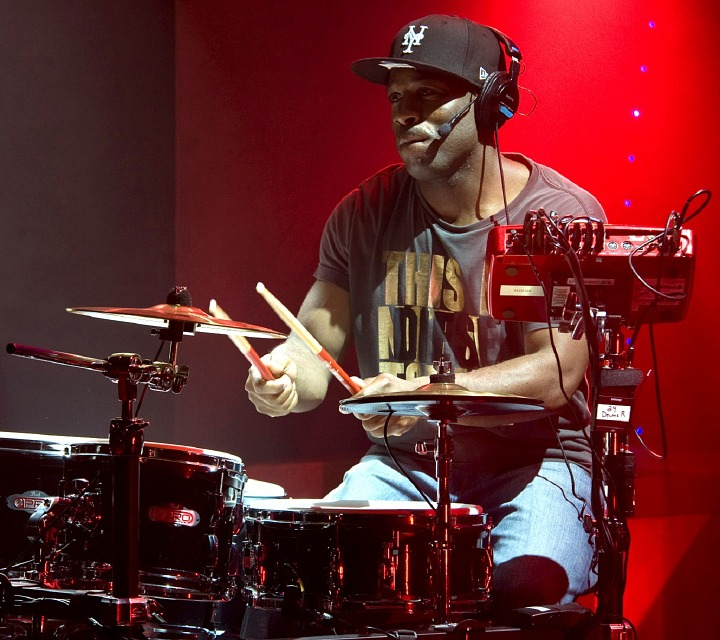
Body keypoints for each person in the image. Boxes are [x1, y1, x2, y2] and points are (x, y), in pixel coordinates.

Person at [245, 14, 603, 612]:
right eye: (397, 98)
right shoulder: (364, 213)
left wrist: (420, 397)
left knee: (521, 591)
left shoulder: (558, 217)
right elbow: (315, 348)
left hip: (539, 464)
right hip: (403, 466)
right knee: (316, 572)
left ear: (489, 104)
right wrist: (282, 375)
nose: (405, 114)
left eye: (429, 96)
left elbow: (556, 374)